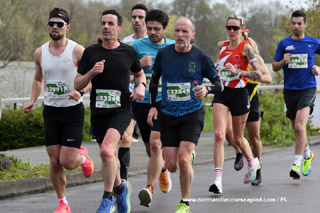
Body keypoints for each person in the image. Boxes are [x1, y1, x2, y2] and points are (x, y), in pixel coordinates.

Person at [148, 17, 223, 213]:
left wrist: (206, 90)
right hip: (168, 113)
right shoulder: (164, 54)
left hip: (192, 113)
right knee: (172, 166)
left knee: (183, 160)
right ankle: (186, 159)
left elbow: (219, 84)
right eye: (178, 31)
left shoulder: (200, 57)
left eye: (185, 32)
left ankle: (185, 202)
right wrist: (153, 106)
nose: (180, 35)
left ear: (192, 35)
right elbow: (154, 80)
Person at [74, 9, 146, 213]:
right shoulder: (91, 53)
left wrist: (141, 86)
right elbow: (77, 82)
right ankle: (121, 189)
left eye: (110, 24)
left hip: (122, 110)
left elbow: (140, 74)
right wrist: (91, 72)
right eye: (103, 23)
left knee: (107, 151)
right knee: (110, 155)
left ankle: (107, 199)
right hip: (99, 112)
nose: (106, 27)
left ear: (119, 28)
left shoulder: (128, 52)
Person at [23, 7, 94, 213]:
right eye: (52, 23)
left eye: (59, 24)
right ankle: (63, 203)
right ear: (48, 26)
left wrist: (81, 93)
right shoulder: (40, 52)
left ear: (67, 27)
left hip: (72, 111)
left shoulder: (78, 50)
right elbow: (38, 79)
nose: (55, 27)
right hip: (51, 111)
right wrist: (32, 99)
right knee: (54, 162)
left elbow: (91, 79)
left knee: (68, 162)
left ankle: (82, 158)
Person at [209, 15, 261, 195]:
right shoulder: (221, 45)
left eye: (235, 28)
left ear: (242, 29)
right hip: (222, 93)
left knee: (238, 138)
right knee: (218, 135)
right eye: (229, 27)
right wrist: (217, 68)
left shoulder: (246, 48)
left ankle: (252, 162)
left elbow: (258, 74)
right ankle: (218, 181)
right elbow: (220, 62)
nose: (231, 31)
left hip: (240, 94)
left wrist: (238, 71)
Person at [130, 9, 175, 208]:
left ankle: (149, 188)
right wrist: (138, 65)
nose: (152, 32)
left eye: (157, 29)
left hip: (166, 103)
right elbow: (123, 75)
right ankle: (162, 168)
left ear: (165, 29)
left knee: (157, 145)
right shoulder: (136, 46)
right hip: (142, 102)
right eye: (149, 28)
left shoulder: (174, 47)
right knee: (150, 146)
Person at [220, 32, 272, 185]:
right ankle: (238, 151)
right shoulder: (231, 55)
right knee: (230, 132)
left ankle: (258, 169)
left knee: (254, 138)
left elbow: (268, 78)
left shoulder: (255, 59)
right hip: (233, 97)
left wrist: (246, 75)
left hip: (251, 99)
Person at [273, 10, 319, 180]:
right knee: (296, 128)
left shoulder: (313, 42)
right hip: (290, 90)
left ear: (305, 25)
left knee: (300, 127)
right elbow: (275, 67)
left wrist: (319, 69)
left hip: (307, 88)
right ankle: (307, 154)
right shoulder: (284, 44)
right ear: (290, 24)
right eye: (294, 23)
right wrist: (283, 61)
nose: (297, 26)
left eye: (300, 23)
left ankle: (296, 164)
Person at [119, 3, 149, 181]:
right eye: (134, 17)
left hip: (150, 98)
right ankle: (122, 183)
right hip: (130, 96)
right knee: (125, 137)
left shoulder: (156, 43)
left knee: (151, 144)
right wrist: (139, 65)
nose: (136, 21)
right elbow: (121, 70)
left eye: (141, 17)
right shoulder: (125, 43)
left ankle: (160, 168)